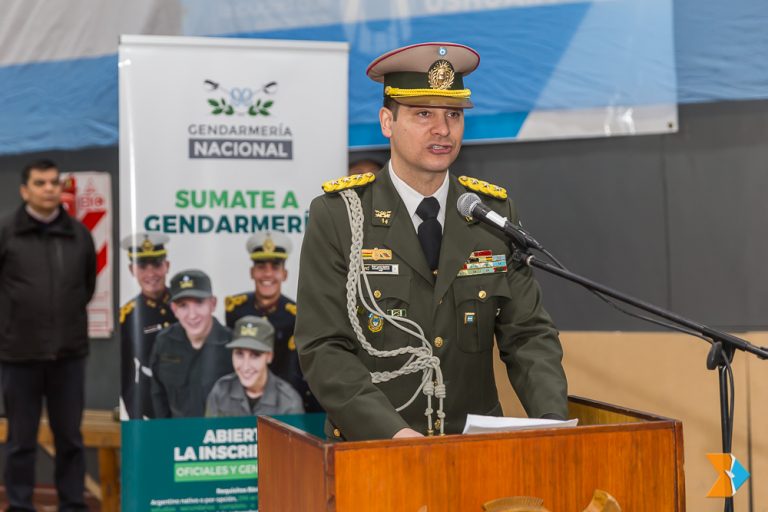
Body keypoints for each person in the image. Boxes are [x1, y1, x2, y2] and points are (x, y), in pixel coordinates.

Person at [295, 42, 568, 441]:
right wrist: (393, 434)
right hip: (376, 448)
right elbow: (323, 348)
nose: (442, 129)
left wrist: (553, 424)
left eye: (453, 115)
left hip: (472, 449)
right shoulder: (340, 216)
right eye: (423, 113)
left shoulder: (491, 215)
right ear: (387, 122)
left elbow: (528, 335)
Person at [0, 158, 96, 510]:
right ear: (24, 190)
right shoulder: (6, 232)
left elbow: (86, 286)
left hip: (68, 356)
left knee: (70, 439)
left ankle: (72, 505)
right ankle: (20, 505)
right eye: (40, 183)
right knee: (20, 441)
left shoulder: (79, 234)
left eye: (55, 182)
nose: (49, 189)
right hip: (19, 356)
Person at [225, 232, 321, 412]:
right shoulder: (235, 310)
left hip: (284, 403)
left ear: (284, 274)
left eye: (275, 267)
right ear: (252, 272)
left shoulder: (296, 315)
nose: (268, 273)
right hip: (241, 401)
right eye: (261, 266)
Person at [150, 269, 232, 418]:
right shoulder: (164, 343)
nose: (192, 315)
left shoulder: (233, 345)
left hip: (219, 431)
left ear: (213, 304)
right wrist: (165, 430)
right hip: (178, 431)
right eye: (183, 305)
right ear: (174, 309)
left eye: (199, 303)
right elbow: (158, 395)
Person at [119, 232, 177, 419]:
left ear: (167, 266)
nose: (151, 274)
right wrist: (136, 418)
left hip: (189, 398)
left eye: (157, 265)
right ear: (132, 270)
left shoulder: (186, 304)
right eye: (142, 266)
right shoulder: (127, 316)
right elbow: (126, 375)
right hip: (151, 403)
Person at [206, 316, 304, 417]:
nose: (245, 367)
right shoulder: (221, 392)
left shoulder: (289, 402)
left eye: (255, 355)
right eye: (239, 354)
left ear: (269, 356)